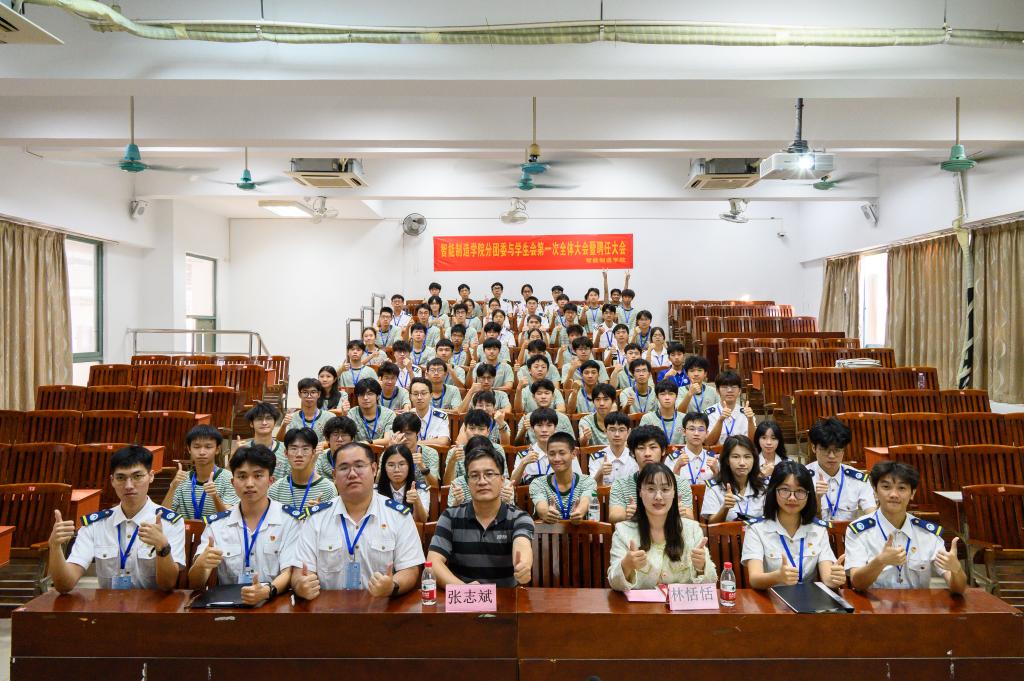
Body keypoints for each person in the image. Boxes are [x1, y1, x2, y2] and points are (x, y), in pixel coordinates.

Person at [290, 442, 424, 598]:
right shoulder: (316, 518)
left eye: (359, 466)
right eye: (344, 468)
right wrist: (301, 585)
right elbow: (300, 571)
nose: (352, 474)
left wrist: (392, 586)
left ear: (373, 469)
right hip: (328, 608)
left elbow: (410, 569)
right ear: (334, 476)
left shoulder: (398, 515)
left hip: (381, 607)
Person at [48, 445, 185, 592]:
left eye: (137, 476)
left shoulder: (170, 522)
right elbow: (65, 585)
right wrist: (55, 547)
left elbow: (168, 584)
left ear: (151, 476)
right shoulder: (96, 525)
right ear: (112, 480)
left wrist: (162, 547)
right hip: (108, 604)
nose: (129, 485)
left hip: (154, 605)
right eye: (121, 478)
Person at [188, 445, 301, 604]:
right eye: (242, 476)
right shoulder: (217, 524)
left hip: (275, 603)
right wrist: (200, 565)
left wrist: (267, 591)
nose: (249, 483)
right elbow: (195, 583)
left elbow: (289, 572)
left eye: (258, 476)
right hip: (230, 607)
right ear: (233, 482)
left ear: (270, 480)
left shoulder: (289, 520)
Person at [847, 461, 966, 593]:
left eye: (902, 488)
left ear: (912, 493)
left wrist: (956, 569)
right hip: (874, 604)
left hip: (918, 604)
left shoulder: (927, 533)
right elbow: (857, 583)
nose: (894, 494)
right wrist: (880, 561)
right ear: (875, 491)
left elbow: (959, 589)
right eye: (886, 487)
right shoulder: (859, 530)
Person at [608, 462, 715, 591]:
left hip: (680, 603)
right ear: (640, 492)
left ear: (674, 493)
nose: (658, 497)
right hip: (641, 604)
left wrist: (701, 567)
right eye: (651, 489)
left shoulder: (692, 530)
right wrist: (626, 566)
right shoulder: (623, 531)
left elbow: (710, 583)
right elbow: (614, 584)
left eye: (665, 490)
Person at [742, 460, 846, 590]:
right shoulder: (756, 529)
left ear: (808, 495)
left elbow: (827, 578)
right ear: (773, 491)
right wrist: (777, 577)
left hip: (808, 599)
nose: (792, 498)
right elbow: (754, 579)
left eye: (800, 491)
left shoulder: (818, 530)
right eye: (785, 490)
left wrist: (834, 579)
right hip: (770, 599)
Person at [608, 426, 694, 523]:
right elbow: (613, 516)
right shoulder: (621, 484)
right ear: (632, 453)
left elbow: (690, 517)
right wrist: (626, 514)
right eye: (641, 448)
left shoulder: (680, 483)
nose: (647, 453)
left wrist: (682, 514)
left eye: (653, 447)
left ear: (663, 450)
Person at [805, 417, 876, 521]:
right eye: (825, 449)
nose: (832, 456)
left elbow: (872, 514)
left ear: (843, 450)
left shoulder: (858, 478)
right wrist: (817, 499)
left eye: (837, 450)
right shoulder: (803, 476)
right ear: (813, 448)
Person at [165, 425, 238, 519]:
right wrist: (173, 487)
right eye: (196, 447)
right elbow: (163, 514)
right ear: (189, 449)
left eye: (208, 447)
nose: (202, 452)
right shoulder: (182, 479)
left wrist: (214, 496)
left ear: (217, 449)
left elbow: (228, 517)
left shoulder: (228, 478)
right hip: (186, 528)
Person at [529, 432, 597, 523]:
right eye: (552, 454)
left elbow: (586, 500)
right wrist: (547, 513)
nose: (557, 459)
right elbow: (541, 507)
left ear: (573, 454)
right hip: (549, 531)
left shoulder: (587, 481)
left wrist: (579, 512)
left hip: (579, 531)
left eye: (562, 453)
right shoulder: (538, 483)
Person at [701, 435, 767, 523]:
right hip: (728, 532)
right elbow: (712, 525)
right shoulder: (714, 487)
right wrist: (725, 508)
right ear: (727, 460)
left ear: (754, 460)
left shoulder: (764, 486)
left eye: (747, 457)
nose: (742, 463)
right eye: (736, 457)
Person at [268, 428, 338, 509]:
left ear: (313, 452)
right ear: (286, 453)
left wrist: (321, 514)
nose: (299, 454)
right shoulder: (275, 490)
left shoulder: (328, 489)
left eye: (305, 449)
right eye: (294, 448)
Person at [511, 408, 583, 485]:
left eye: (549, 425)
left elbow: (579, 481)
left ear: (555, 428)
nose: (544, 430)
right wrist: (523, 463)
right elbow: (513, 483)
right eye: (539, 425)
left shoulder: (567, 453)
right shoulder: (524, 455)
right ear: (532, 428)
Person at [445, 409, 505, 484]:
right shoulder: (455, 452)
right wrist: (452, 461)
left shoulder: (497, 449)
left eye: (481, 429)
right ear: (465, 429)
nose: (476, 433)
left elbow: (503, 480)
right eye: (472, 428)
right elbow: (448, 485)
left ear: (488, 431)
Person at [235, 401, 288, 480]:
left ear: (275, 422)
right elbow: (231, 477)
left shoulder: (285, 449)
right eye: (259, 419)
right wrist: (236, 454)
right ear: (251, 423)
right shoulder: (244, 448)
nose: (264, 423)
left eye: (268, 418)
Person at [376, 444, 430, 522]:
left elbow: (422, 521)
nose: (396, 470)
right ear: (384, 468)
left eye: (401, 464)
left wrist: (417, 501)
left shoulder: (420, 490)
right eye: (391, 465)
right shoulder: (375, 491)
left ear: (409, 466)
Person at [390, 411, 441, 488]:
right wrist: (392, 453)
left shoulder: (431, 453)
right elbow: (378, 483)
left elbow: (434, 487)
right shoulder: (389, 452)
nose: (405, 438)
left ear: (418, 433)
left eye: (408, 433)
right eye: (400, 434)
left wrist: (422, 467)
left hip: (421, 494)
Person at [665, 412, 718, 485]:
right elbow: (667, 486)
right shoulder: (672, 460)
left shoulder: (714, 459)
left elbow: (720, 487)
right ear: (684, 432)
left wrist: (716, 472)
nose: (696, 433)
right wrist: (677, 467)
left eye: (701, 429)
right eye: (692, 429)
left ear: (706, 433)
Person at [515, 380, 574, 445]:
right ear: (533, 397)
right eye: (539, 393)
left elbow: (572, 443)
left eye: (547, 393)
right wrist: (523, 430)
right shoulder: (526, 418)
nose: (543, 397)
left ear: (553, 396)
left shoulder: (563, 418)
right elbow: (517, 445)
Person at [705, 370, 756, 445]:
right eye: (725, 387)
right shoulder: (708, 414)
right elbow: (708, 443)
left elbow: (753, 442)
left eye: (733, 387)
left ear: (739, 391)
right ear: (717, 390)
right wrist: (720, 420)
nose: (729, 390)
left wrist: (750, 421)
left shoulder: (746, 413)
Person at [587, 411, 636, 486]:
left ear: (628, 432)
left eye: (621, 430)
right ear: (605, 431)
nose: (617, 434)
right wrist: (600, 472)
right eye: (612, 430)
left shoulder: (635, 456)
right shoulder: (597, 457)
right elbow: (591, 487)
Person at [347, 378, 397, 445]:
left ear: (378, 396)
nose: (365, 398)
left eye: (370, 394)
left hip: (382, 451)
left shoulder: (389, 415)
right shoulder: (352, 414)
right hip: (357, 451)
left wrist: (368, 443)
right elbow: (348, 441)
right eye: (361, 394)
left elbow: (388, 440)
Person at [284, 377, 335, 442]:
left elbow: (335, 439)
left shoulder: (330, 417)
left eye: (313, 392)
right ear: (299, 394)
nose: (309, 396)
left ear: (319, 394)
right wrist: (283, 426)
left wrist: (324, 445)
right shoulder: (291, 418)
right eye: (305, 392)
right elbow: (281, 440)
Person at [639, 380, 687, 446]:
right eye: (663, 394)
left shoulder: (684, 418)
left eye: (671, 394)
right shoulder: (648, 418)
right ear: (657, 397)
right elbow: (642, 442)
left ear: (676, 396)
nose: (667, 398)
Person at [407, 377, 452, 448]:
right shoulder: (407, 416)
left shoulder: (440, 416)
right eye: (415, 394)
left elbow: (444, 441)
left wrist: (415, 443)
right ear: (410, 397)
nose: (419, 397)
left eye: (423, 393)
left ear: (431, 396)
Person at [314, 415, 358, 480]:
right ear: (327, 438)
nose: (340, 439)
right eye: (335, 434)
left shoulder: (359, 458)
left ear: (352, 439)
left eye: (344, 434)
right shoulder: (319, 459)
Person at [578, 383, 619, 447]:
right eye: (597, 399)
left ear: (613, 401)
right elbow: (583, 445)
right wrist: (585, 439)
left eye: (606, 399)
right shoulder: (586, 421)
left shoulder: (620, 420)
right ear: (593, 401)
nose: (601, 403)